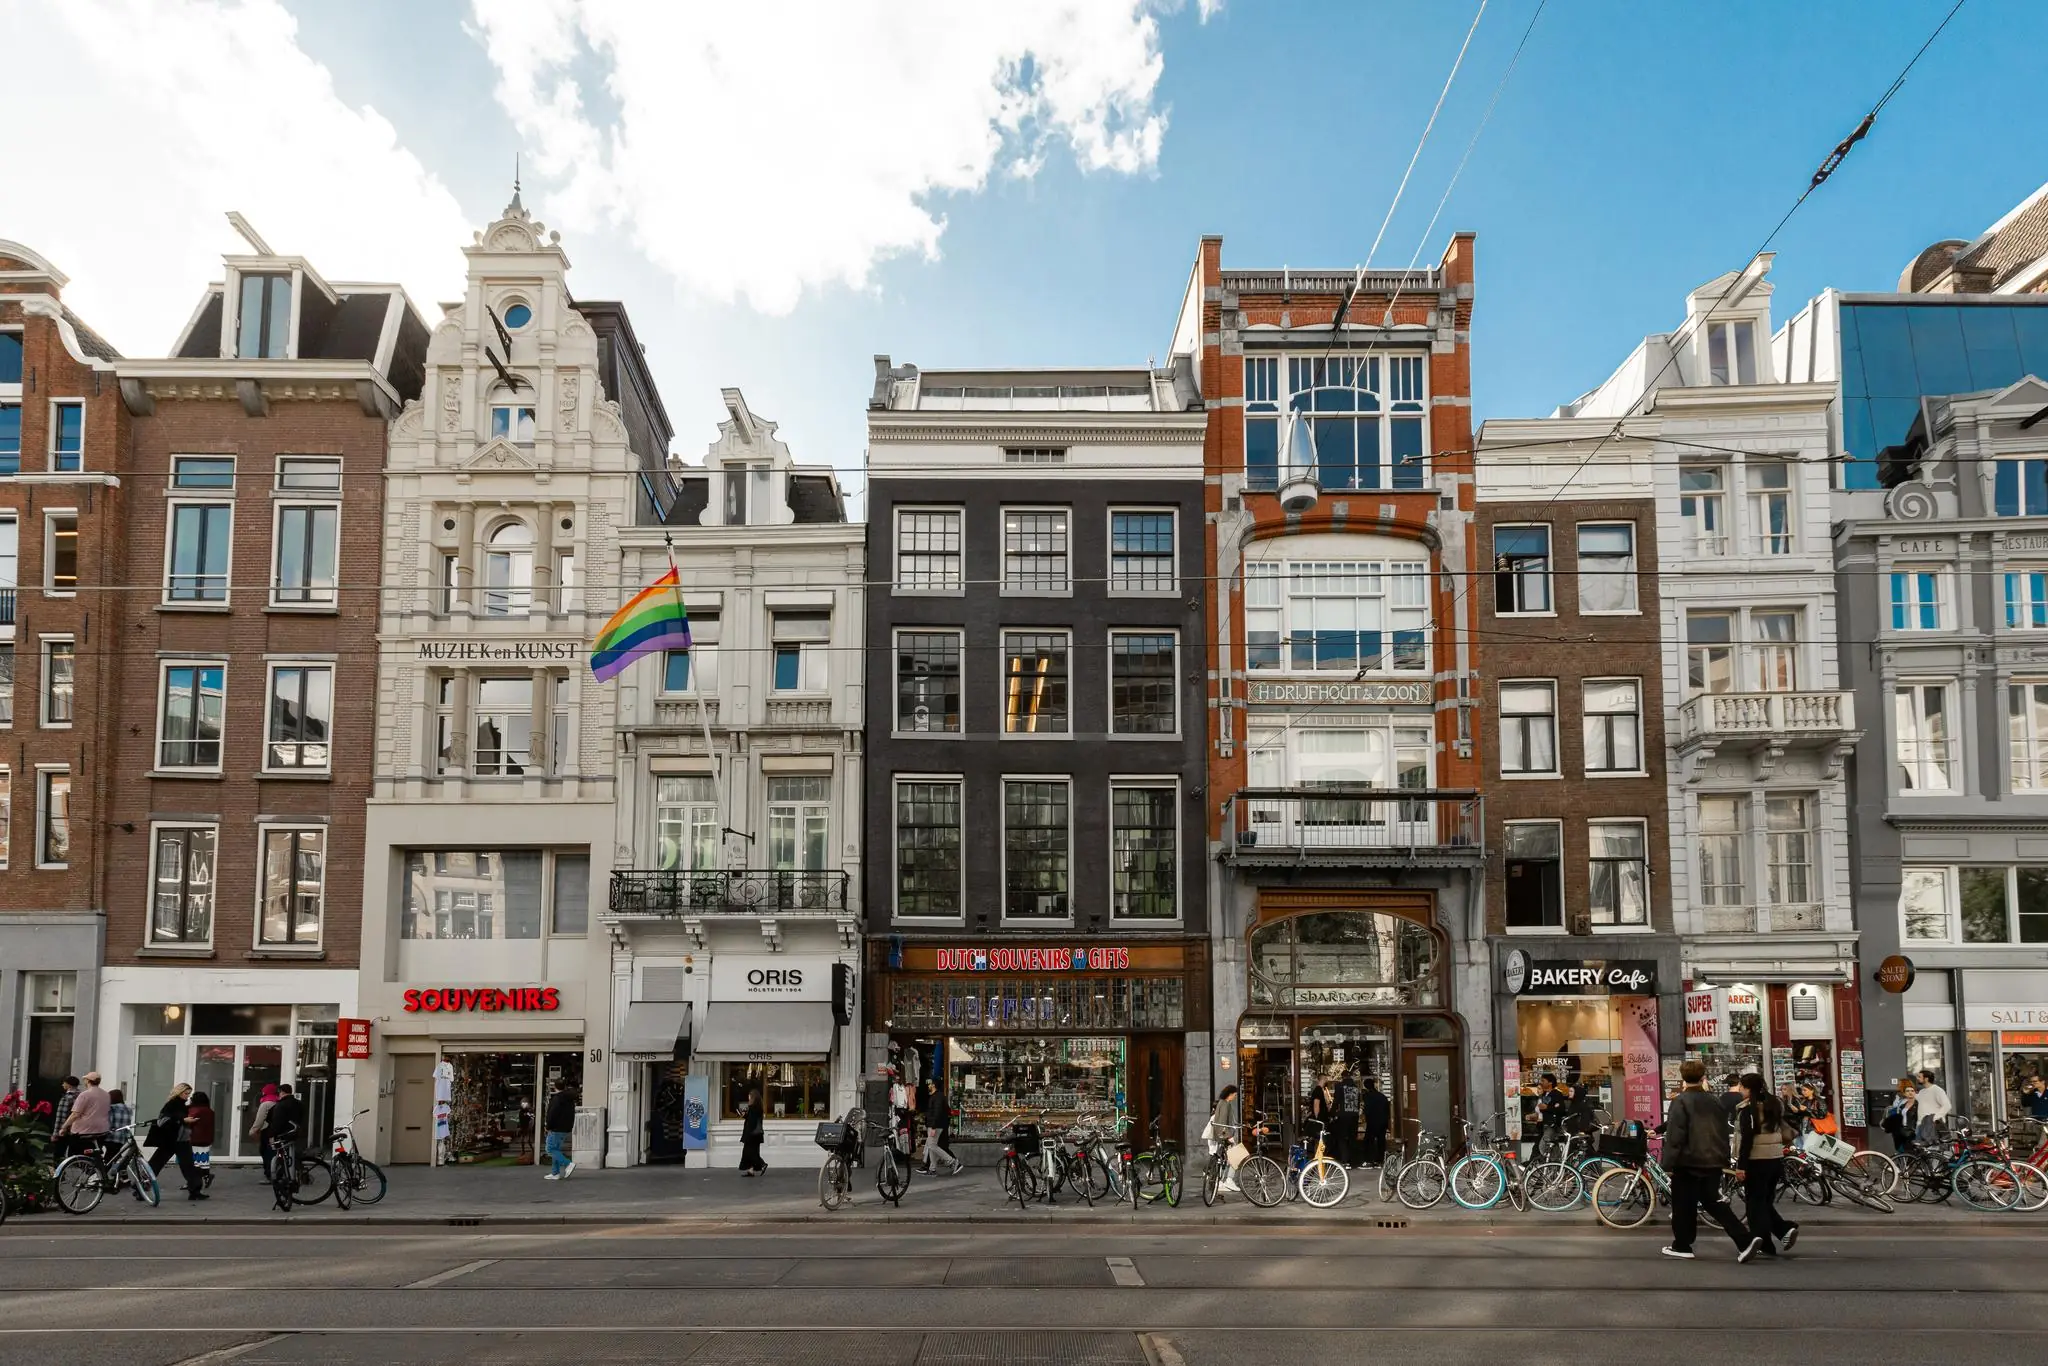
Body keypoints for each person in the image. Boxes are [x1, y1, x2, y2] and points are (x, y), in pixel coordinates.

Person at [1660, 1058, 1762, 1262]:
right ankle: (1744, 1240)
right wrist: (1724, 1157)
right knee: (1713, 1202)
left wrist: (1668, 1164)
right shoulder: (1714, 1100)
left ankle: (1682, 1245)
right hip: (1713, 1160)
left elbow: (1675, 1135)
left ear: (1683, 1078)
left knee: (1682, 1205)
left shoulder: (1680, 1101)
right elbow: (1723, 1130)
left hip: (1688, 1162)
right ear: (1703, 1077)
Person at [1735, 1073, 1796, 1257]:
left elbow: (1747, 1140)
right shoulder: (1775, 1103)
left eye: (1741, 1086)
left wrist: (1741, 1166)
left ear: (1748, 1089)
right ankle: (1779, 1234)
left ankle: (1771, 1238)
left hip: (1756, 1161)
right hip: (1775, 1159)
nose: (1739, 1089)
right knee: (1764, 1202)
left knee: (1755, 1204)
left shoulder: (1748, 1109)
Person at [147, 1082, 207, 1201]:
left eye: (189, 1094)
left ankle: (195, 1191)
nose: (187, 1096)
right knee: (157, 1164)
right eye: (185, 1093)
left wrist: (186, 1121)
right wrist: (183, 1120)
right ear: (179, 1092)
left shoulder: (182, 1105)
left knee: (186, 1165)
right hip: (172, 1139)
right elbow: (163, 1121)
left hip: (179, 1139)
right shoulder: (172, 1105)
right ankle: (139, 1188)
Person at [58, 1071, 111, 1163]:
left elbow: (75, 1114)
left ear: (88, 1081)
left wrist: (64, 1127)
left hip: (84, 1131)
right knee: (95, 1154)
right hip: (102, 1130)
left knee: (76, 1157)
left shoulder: (84, 1095)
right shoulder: (106, 1095)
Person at [922, 1080, 962, 1176]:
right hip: (934, 1124)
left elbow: (937, 1112)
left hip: (935, 1125)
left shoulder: (938, 1097)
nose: (928, 1085)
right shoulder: (936, 1096)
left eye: (930, 1084)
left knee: (932, 1145)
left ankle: (952, 1161)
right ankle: (932, 1169)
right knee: (932, 1146)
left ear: (934, 1085)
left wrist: (934, 1126)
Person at [1208, 1085, 1243, 1194]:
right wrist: (1228, 1136)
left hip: (1221, 1135)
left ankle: (1222, 1181)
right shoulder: (1225, 1104)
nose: (1235, 1097)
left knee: (1225, 1160)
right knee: (1238, 1155)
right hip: (1224, 1135)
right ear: (1230, 1094)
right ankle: (1229, 1179)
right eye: (1235, 1094)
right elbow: (1222, 1122)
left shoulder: (1222, 1103)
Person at [542, 1081, 577, 1180]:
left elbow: (552, 1114)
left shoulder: (557, 1099)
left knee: (550, 1149)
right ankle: (555, 1173)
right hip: (565, 1128)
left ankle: (568, 1163)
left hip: (556, 1127)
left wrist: (548, 1126)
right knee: (556, 1149)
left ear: (554, 1087)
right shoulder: (570, 1099)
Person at [1914, 1069, 1953, 1144]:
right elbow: (1915, 1097)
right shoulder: (1922, 1091)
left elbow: (1947, 1105)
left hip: (1932, 1127)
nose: (1917, 1078)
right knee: (1920, 1153)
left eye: (1919, 1076)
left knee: (1933, 1151)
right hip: (1920, 1126)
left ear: (1926, 1079)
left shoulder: (1937, 1090)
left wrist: (1934, 1118)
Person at [249, 1083, 280, 1178]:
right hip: (277, 1131)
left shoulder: (265, 1104)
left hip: (267, 1131)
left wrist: (253, 1131)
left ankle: (269, 1174)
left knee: (266, 1152)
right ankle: (277, 1172)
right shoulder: (279, 1102)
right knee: (275, 1152)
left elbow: (260, 1119)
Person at [186, 1091, 216, 1186]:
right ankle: (206, 1176)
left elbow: (188, 1123)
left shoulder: (194, 1110)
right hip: (206, 1139)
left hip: (194, 1138)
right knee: (203, 1160)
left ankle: (193, 1181)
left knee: (193, 1162)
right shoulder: (210, 1111)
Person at [1333, 1072, 1362, 1168]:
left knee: (1342, 1138)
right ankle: (1353, 1161)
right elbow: (1358, 1101)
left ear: (1342, 1077)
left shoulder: (1339, 1086)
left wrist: (1332, 1113)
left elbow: (1336, 1101)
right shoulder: (1356, 1087)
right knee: (1352, 1138)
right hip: (1354, 1115)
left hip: (1343, 1115)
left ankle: (1344, 1161)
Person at [1361, 1076, 1392, 1168]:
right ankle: (1380, 1161)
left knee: (1368, 1141)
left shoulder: (1367, 1096)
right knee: (1381, 1141)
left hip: (1372, 1122)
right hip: (1382, 1122)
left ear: (1365, 1086)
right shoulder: (1382, 1096)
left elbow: (1367, 1110)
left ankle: (1369, 1160)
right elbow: (1387, 1111)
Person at [1881, 1081, 1918, 1155]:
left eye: (1912, 1091)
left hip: (1911, 1131)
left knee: (1909, 1151)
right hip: (1902, 1129)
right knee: (1902, 1150)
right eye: (1908, 1091)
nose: (1910, 1093)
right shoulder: (1902, 1104)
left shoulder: (1916, 1104)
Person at [738, 1085, 767, 1176]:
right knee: (752, 1151)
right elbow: (752, 1119)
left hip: (752, 1134)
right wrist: (745, 1115)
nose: (748, 1097)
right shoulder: (757, 1108)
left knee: (749, 1152)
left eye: (750, 1096)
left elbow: (752, 1122)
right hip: (756, 1134)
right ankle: (751, 1170)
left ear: (753, 1097)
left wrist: (745, 1116)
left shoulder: (753, 1108)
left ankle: (762, 1164)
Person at [48, 1077, 80, 1160]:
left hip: (64, 1130)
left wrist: (55, 1133)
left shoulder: (67, 1097)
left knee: (58, 1154)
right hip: (77, 1130)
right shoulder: (81, 1096)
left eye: (64, 1083)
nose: (62, 1085)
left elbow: (61, 1116)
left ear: (69, 1085)